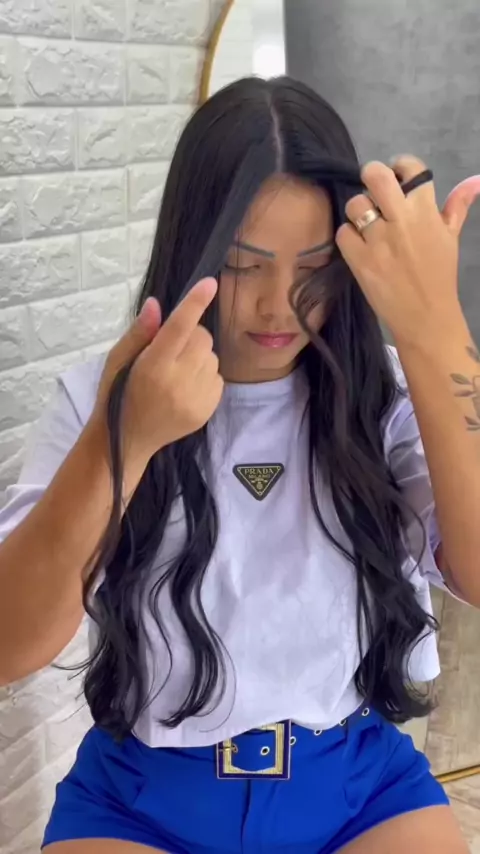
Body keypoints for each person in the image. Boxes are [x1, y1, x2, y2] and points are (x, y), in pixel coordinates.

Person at [0, 76, 479, 854]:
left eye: (314, 266)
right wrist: (124, 439)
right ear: (191, 250)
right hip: (141, 801)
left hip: (359, 791)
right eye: (242, 265)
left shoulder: (381, 393)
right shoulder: (99, 395)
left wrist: (436, 326)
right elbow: (9, 644)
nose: (278, 305)